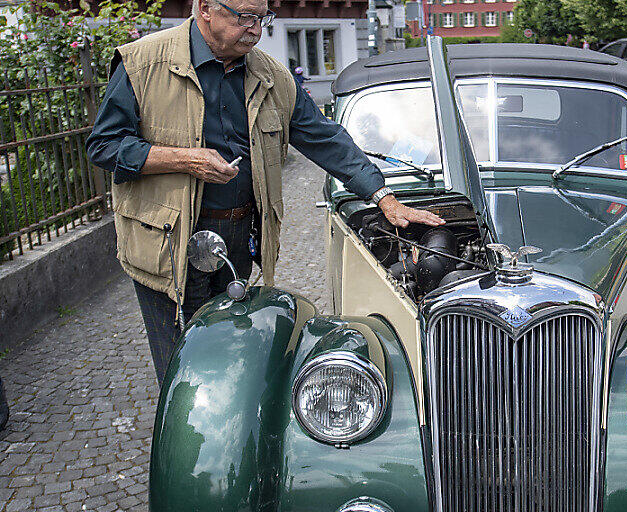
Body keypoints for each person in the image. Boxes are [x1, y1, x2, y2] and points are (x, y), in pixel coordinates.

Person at [86, 0, 444, 384]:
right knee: (181, 371)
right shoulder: (143, 63)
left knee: (231, 356)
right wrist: (185, 160)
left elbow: (325, 139)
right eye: (244, 17)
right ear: (205, 8)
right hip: (167, 241)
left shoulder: (272, 75)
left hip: (238, 240)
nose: (256, 29)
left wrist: (385, 200)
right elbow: (105, 146)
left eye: (262, 17)